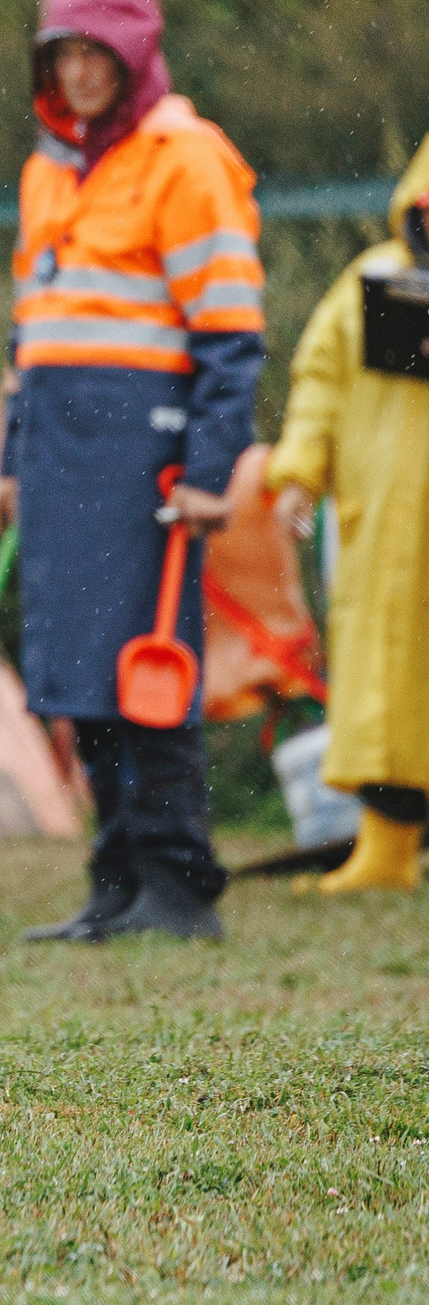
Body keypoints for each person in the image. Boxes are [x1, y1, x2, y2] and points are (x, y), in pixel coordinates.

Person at [0, 0, 265, 943]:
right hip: (59, 452)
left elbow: (230, 335)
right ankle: (114, 885)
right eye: (62, 55)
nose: (76, 73)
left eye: (95, 54)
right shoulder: (47, 168)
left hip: (143, 456)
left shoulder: (187, 158)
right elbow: (29, 334)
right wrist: (12, 464)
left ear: (134, 58)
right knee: (79, 676)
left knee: (148, 672)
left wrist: (207, 471)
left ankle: (179, 888)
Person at [265, 140, 429, 892]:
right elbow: (320, 382)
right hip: (382, 540)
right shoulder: (374, 280)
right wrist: (299, 474)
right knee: (386, 696)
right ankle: (386, 851)